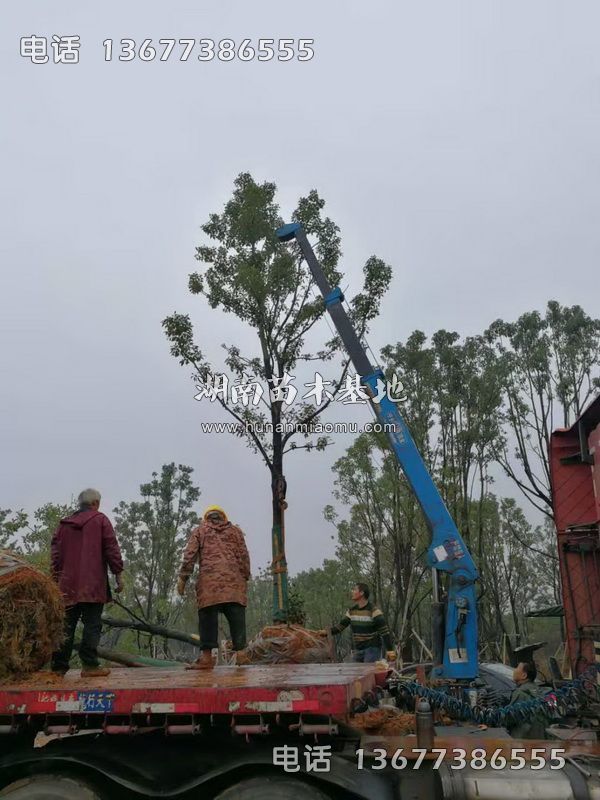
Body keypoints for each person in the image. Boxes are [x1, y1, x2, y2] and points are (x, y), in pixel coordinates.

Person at [51, 488, 124, 677]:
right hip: (92, 585)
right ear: (95, 504)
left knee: (66, 626)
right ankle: (90, 666)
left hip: (66, 586)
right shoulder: (100, 520)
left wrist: (54, 580)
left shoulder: (64, 525)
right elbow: (111, 548)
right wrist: (118, 574)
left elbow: (56, 555)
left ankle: (58, 668)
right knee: (92, 624)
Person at [177, 505, 251, 669]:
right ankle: (241, 654)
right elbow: (244, 555)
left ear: (206, 518)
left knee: (207, 619)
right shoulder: (235, 532)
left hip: (209, 586)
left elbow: (189, 556)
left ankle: (206, 658)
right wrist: (245, 576)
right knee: (236, 616)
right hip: (234, 585)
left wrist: (183, 579)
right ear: (223, 517)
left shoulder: (200, 531)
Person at [324, 583, 396, 663]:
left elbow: (385, 632)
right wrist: (326, 632)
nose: (352, 592)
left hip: (372, 649)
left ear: (362, 593)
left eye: (355, 589)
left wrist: (390, 650)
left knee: (367, 673)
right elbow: (341, 626)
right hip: (358, 649)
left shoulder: (374, 611)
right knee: (356, 673)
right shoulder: (352, 611)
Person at [507, 661, 546, 739]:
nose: (514, 670)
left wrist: (491, 722)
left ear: (524, 675)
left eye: (517, 668)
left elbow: (509, 718)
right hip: (539, 739)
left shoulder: (520, 693)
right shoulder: (539, 691)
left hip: (522, 739)